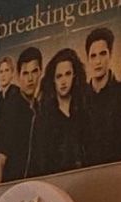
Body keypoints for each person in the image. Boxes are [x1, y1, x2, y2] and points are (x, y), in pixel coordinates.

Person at [0, 46, 42, 184]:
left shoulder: (40, 108)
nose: (30, 78)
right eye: (25, 73)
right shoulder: (12, 107)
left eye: (34, 72)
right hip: (13, 192)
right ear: (19, 76)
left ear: (40, 73)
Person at [83, 26, 121, 165]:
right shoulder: (80, 97)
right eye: (93, 56)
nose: (98, 61)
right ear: (88, 59)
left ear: (110, 55)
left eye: (102, 54)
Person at [32, 47, 87, 176]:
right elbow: (40, 162)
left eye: (68, 74)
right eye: (59, 76)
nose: (63, 81)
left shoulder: (84, 110)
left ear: (75, 76)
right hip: (56, 184)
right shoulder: (44, 118)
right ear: (53, 80)